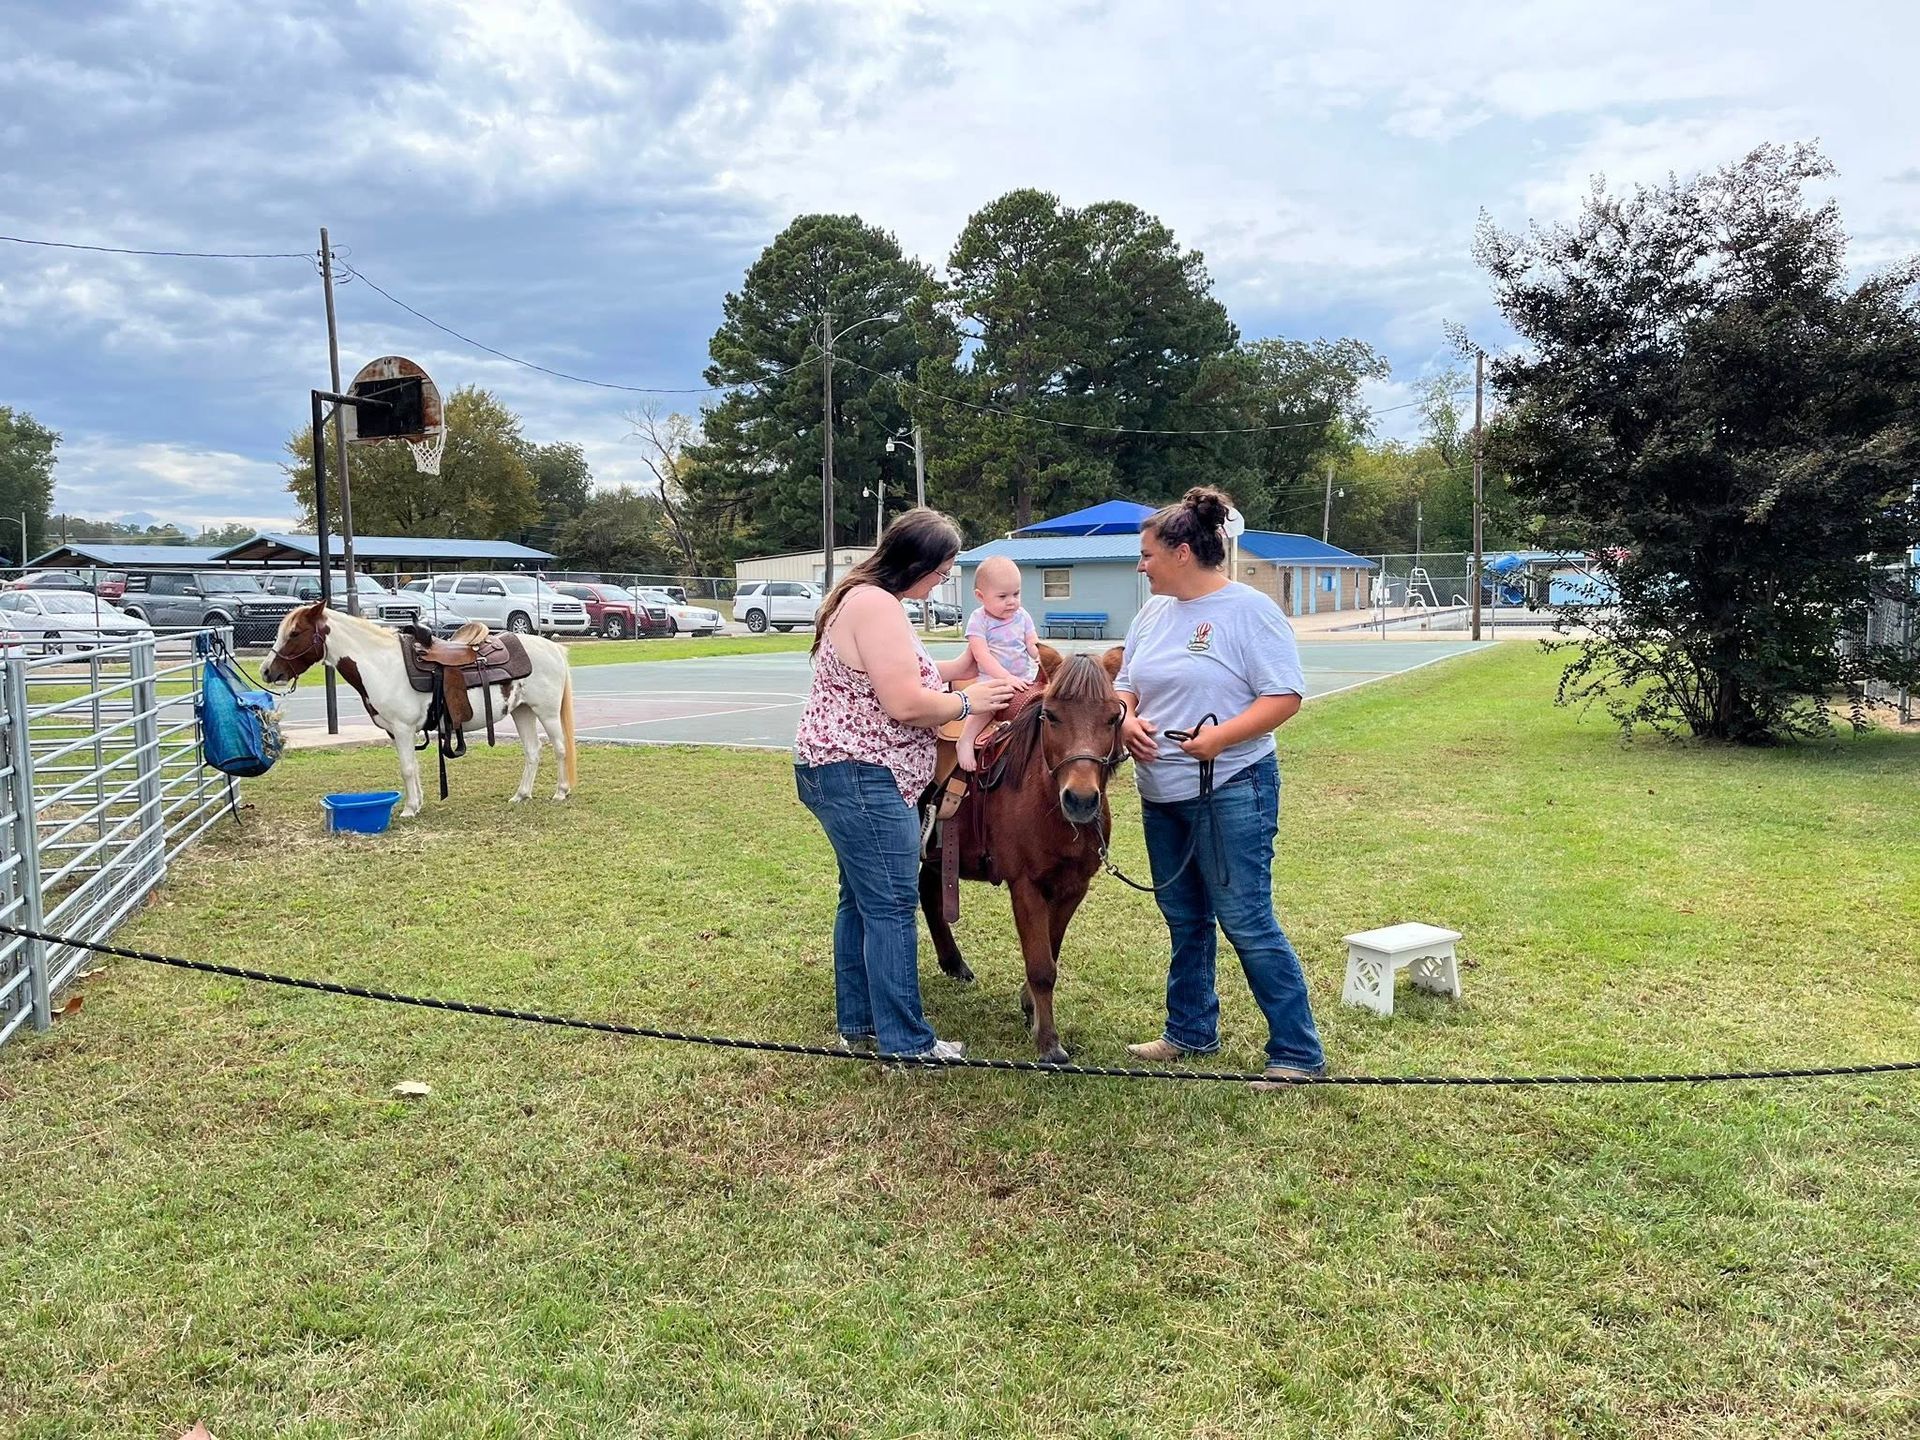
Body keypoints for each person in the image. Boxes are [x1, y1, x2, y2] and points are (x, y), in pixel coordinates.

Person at [1113, 486, 1327, 1087]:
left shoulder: (1249, 611)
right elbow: (1127, 681)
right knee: (1184, 917)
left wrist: (1220, 739)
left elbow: (1284, 696)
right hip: (1162, 792)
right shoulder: (1151, 613)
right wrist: (1126, 716)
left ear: (1183, 552)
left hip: (1233, 785)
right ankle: (1189, 1030)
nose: (1141, 565)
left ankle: (1296, 1053)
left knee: (1246, 919)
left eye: (1148, 555)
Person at [793, 509, 1021, 1060]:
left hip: (845, 771)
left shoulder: (868, 600)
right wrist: (972, 700)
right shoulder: (876, 605)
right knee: (893, 904)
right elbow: (906, 703)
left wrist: (967, 661)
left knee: (862, 901)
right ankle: (906, 1042)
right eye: (942, 570)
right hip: (860, 773)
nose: (942, 581)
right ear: (917, 562)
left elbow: (904, 673)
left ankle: (861, 1024)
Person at [957, 555, 1042, 771]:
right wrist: (1005, 678)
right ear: (980, 596)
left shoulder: (1022, 616)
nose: (1012, 601)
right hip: (993, 679)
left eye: (1016, 594)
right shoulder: (979, 619)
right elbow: (982, 655)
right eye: (1003, 596)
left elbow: (1032, 642)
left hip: (1023, 679)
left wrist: (1040, 655)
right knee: (985, 707)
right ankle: (965, 740)